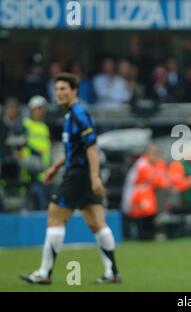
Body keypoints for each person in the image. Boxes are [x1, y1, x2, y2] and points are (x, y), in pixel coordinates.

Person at [20, 73, 121, 285]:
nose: (59, 93)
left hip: (77, 175)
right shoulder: (71, 115)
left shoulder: (78, 114)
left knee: (55, 218)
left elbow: (92, 147)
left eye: (64, 89)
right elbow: (75, 148)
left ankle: (44, 272)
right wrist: (55, 167)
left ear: (74, 91)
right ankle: (112, 272)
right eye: (57, 89)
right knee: (97, 223)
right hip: (80, 174)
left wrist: (95, 178)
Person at [121, 144, 169, 239]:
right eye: (154, 153)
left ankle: (152, 231)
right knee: (146, 210)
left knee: (151, 207)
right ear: (147, 153)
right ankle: (143, 234)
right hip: (135, 192)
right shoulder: (142, 164)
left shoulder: (151, 164)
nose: (157, 156)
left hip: (145, 191)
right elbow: (158, 180)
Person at [22, 96, 52, 211]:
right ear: (31, 110)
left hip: (44, 172)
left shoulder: (45, 127)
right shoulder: (25, 124)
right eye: (38, 108)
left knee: (44, 204)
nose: (41, 111)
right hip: (29, 172)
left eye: (42, 108)